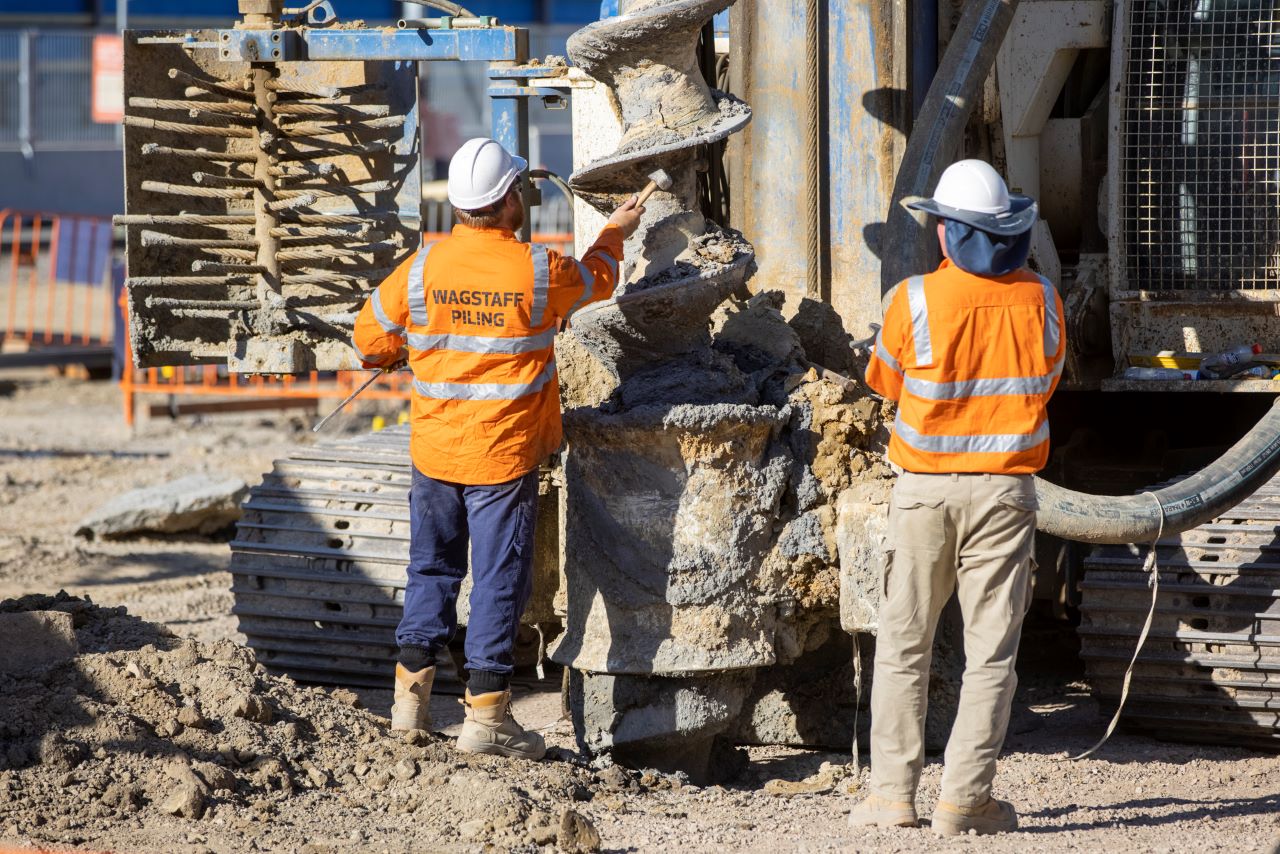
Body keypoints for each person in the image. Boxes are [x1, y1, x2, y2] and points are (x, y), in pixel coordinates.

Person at [353, 137, 643, 759]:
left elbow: (369, 339)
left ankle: (410, 701)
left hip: (435, 451)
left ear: (460, 205)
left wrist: (407, 345)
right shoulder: (539, 270)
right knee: (495, 580)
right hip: (502, 456)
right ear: (509, 200)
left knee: (430, 568)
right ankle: (485, 716)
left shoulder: (422, 268)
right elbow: (597, 282)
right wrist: (616, 230)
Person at [850, 159, 1065, 835]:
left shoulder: (912, 300)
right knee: (991, 654)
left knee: (904, 645)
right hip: (1005, 495)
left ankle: (890, 797)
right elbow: (1048, 381)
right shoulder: (1044, 301)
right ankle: (965, 800)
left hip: (924, 497)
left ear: (946, 234)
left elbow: (882, 381)